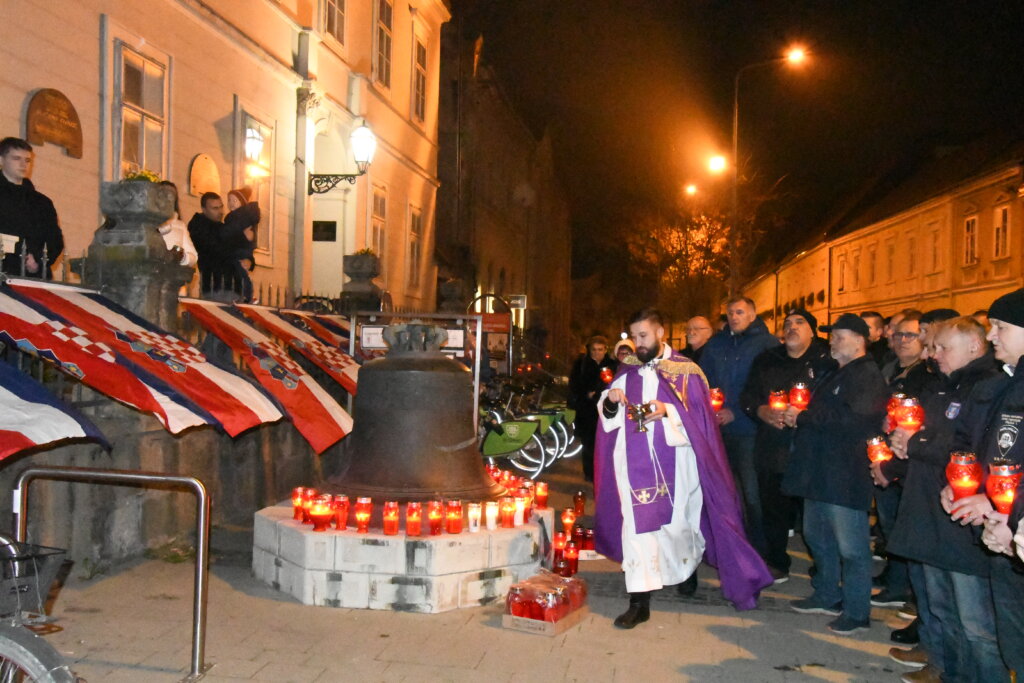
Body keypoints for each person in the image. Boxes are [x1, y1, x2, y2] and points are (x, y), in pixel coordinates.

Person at [595, 308, 771, 628]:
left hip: (676, 462)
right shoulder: (627, 369)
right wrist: (611, 401)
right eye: (634, 337)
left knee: (677, 527)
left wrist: (667, 412)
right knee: (637, 529)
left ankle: (686, 569)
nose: (638, 344)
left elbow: (701, 423)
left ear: (661, 332)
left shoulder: (686, 371)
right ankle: (639, 600)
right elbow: (607, 415)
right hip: (632, 462)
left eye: (644, 336)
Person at [884, 317, 1004, 682]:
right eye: (933, 348)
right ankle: (945, 670)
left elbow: (967, 446)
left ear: (973, 346)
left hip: (961, 520)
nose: (934, 355)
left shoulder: (987, 387)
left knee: (975, 622)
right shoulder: (939, 385)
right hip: (927, 506)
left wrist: (916, 442)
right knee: (939, 606)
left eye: (942, 348)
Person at [782, 313, 888, 635]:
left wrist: (804, 417)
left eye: (839, 337)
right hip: (820, 472)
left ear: (859, 341)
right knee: (817, 537)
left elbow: (854, 420)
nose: (832, 341)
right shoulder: (837, 372)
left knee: (852, 548)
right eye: (832, 336)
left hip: (845, 473)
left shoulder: (867, 375)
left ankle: (857, 611)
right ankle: (827, 593)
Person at [945, 288, 1024, 677]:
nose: (991, 336)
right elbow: (975, 445)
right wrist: (966, 485)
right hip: (1002, 535)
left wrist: (1003, 511)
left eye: (1001, 327)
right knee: (1012, 642)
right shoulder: (1000, 383)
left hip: (1012, 527)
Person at [740, 308, 835, 583]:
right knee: (772, 508)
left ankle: (823, 568)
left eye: (800, 322)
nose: (791, 327)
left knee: (815, 515)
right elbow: (748, 395)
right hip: (773, 446)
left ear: (812, 330)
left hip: (812, 448)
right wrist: (760, 411)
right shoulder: (767, 360)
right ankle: (777, 561)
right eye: (787, 323)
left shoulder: (826, 361)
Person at [699, 297, 779, 554]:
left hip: (749, 431)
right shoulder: (717, 344)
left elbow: (765, 388)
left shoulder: (766, 345)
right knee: (721, 491)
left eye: (740, 312)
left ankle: (758, 548)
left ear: (753, 314)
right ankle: (726, 543)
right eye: (731, 312)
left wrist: (736, 411)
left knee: (751, 493)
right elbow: (703, 380)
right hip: (718, 429)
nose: (734, 316)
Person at [0, 137, 63, 278]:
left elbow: (55, 240)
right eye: (16, 158)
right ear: (1, 160)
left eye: (27, 160)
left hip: (35, 277)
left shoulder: (42, 202)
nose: (23, 164)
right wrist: (19, 253)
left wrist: (38, 260)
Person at [569, 336, 617, 481]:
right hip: (587, 410)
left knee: (606, 442)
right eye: (594, 350)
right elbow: (574, 385)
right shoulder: (581, 364)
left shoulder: (612, 365)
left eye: (600, 350)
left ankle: (605, 472)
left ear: (605, 350)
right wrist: (586, 394)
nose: (597, 353)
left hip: (606, 409)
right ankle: (590, 473)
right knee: (589, 443)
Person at [188, 191, 230, 293]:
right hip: (212, 284)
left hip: (226, 283)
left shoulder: (221, 227)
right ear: (204, 210)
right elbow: (214, 249)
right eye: (215, 208)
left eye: (221, 207)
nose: (220, 211)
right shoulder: (198, 227)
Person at [223, 187, 259, 301]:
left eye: (234, 200)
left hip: (238, 253)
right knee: (239, 273)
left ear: (241, 202)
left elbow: (230, 237)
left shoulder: (240, 217)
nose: (231, 203)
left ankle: (245, 296)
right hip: (237, 253)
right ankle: (245, 296)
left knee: (239, 272)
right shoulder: (235, 217)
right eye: (229, 200)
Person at [156, 181, 198, 268]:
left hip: (171, 273)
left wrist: (182, 256)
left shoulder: (180, 225)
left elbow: (193, 257)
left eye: (171, 196)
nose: (167, 199)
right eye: (163, 194)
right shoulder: (149, 221)